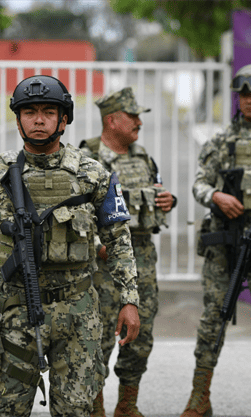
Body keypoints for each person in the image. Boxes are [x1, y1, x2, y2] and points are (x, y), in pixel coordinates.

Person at [0, 75, 141, 417]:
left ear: (64, 119)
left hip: (78, 314)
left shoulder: (93, 176)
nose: (39, 119)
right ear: (18, 119)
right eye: (29, 112)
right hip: (15, 313)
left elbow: (119, 242)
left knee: (76, 411)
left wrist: (129, 300)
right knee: (11, 410)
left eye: (48, 111)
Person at [182, 63, 251, 417]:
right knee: (213, 320)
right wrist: (215, 196)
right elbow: (198, 183)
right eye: (243, 95)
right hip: (225, 244)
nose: (248, 101)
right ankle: (200, 397)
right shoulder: (221, 140)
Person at [79, 87, 176, 417]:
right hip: (102, 266)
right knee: (100, 336)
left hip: (142, 261)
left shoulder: (143, 156)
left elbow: (157, 192)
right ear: (111, 120)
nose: (139, 123)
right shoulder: (87, 158)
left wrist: (168, 201)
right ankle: (96, 407)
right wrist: (97, 246)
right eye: (132, 116)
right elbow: (75, 214)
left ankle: (127, 405)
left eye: (139, 117)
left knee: (141, 335)